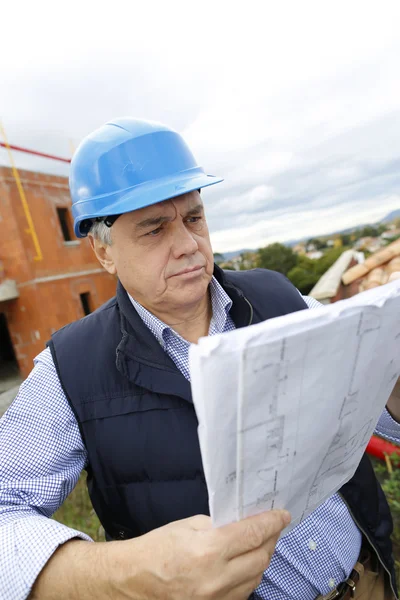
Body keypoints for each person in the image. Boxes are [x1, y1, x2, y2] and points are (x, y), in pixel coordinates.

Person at [0, 118, 399, 600]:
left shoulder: (280, 297)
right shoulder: (70, 371)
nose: (189, 244)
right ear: (103, 251)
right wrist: (122, 574)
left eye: (194, 218)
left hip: (370, 580)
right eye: (154, 229)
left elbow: (381, 413)